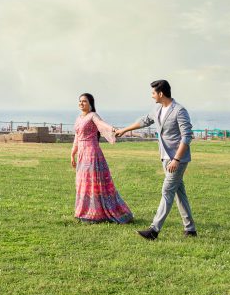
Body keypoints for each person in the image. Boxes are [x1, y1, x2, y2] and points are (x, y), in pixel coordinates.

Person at [115, 80, 197, 240]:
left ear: (161, 94)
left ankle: (154, 230)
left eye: (153, 93)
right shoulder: (158, 108)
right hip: (165, 157)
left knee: (167, 191)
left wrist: (177, 159)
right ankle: (190, 229)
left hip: (176, 160)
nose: (152, 96)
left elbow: (187, 137)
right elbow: (144, 120)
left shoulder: (179, 111)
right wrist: (124, 130)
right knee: (179, 192)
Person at [71, 93, 133, 224]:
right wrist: (72, 154)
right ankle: (84, 211)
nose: (81, 103)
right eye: (80, 101)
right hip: (82, 154)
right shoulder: (78, 119)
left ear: (90, 104)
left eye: (84, 101)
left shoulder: (92, 115)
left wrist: (113, 129)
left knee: (94, 182)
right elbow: (76, 138)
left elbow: (101, 124)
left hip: (92, 153)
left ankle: (96, 213)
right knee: (82, 182)